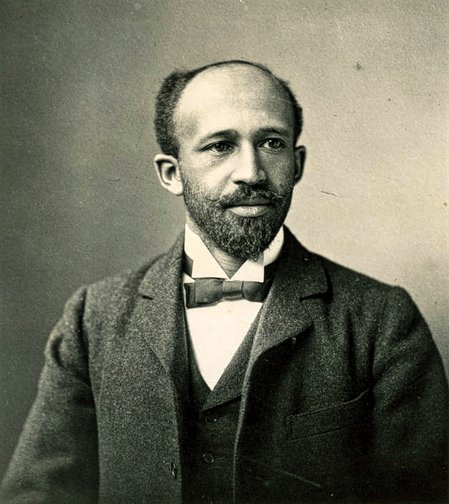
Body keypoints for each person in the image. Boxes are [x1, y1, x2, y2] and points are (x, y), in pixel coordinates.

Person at [1, 60, 447, 504]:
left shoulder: (382, 320)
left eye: (271, 143)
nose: (251, 172)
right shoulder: (94, 318)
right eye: (220, 146)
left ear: (297, 164)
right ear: (172, 173)